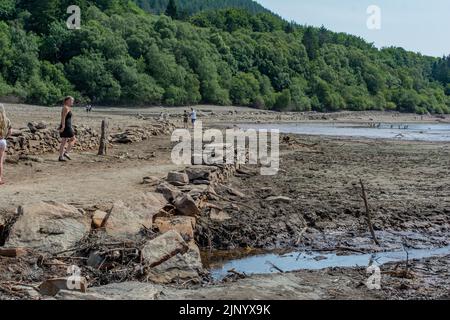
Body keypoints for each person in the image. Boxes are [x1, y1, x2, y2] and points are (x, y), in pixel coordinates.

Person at [58, 96, 77, 162]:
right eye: (71, 101)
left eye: (72, 101)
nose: (72, 102)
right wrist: (63, 126)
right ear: (67, 101)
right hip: (66, 126)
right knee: (74, 139)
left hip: (67, 126)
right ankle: (66, 153)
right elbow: (63, 118)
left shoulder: (67, 107)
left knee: (64, 141)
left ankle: (61, 157)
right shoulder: (65, 108)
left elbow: (68, 119)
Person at [0, 104, 12, 185]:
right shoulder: (7, 120)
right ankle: (0, 179)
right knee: (0, 162)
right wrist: (5, 137)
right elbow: (11, 132)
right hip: (2, 141)